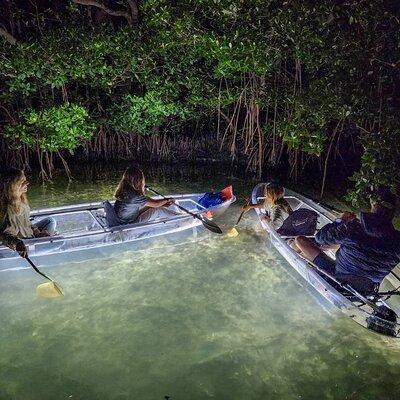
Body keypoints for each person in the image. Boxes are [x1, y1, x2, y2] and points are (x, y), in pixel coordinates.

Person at [294, 190, 400, 294]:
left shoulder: (354, 227)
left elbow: (320, 237)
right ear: (392, 213)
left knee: (300, 240)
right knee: (347, 245)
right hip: (367, 290)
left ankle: (295, 249)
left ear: (373, 205)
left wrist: (341, 220)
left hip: (339, 277)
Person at [0, 168, 56, 258]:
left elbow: (28, 223)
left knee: (50, 221)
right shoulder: (7, 208)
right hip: (24, 243)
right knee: (60, 240)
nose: (27, 183)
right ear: (12, 185)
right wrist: (18, 244)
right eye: (22, 182)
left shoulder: (21, 200)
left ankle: (44, 241)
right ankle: (41, 248)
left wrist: (38, 233)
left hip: (30, 235)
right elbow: (4, 235)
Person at [114, 166, 182, 224]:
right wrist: (168, 200)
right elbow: (156, 204)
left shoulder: (124, 189)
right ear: (138, 180)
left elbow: (151, 203)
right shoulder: (134, 196)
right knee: (157, 210)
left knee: (150, 206)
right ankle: (182, 219)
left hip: (125, 218)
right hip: (128, 224)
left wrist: (163, 203)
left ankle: (176, 216)